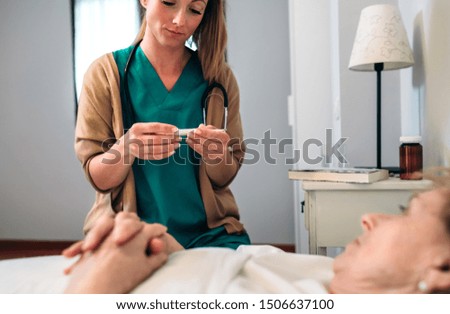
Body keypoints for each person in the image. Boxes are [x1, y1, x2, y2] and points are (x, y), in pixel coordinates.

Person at [63, 169, 450, 294]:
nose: (370, 217)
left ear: (443, 270)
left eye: (407, 212)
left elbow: (223, 173)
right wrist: (161, 246)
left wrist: (98, 283)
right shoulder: (316, 274)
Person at [75, 0, 250, 250]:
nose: (180, 20)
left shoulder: (219, 78)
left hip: (209, 235)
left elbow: (223, 178)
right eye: (169, 2)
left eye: (195, 10)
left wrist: (217, 154)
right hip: (131, 233)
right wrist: (126, 148)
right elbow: (99, 178)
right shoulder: (105, 74)